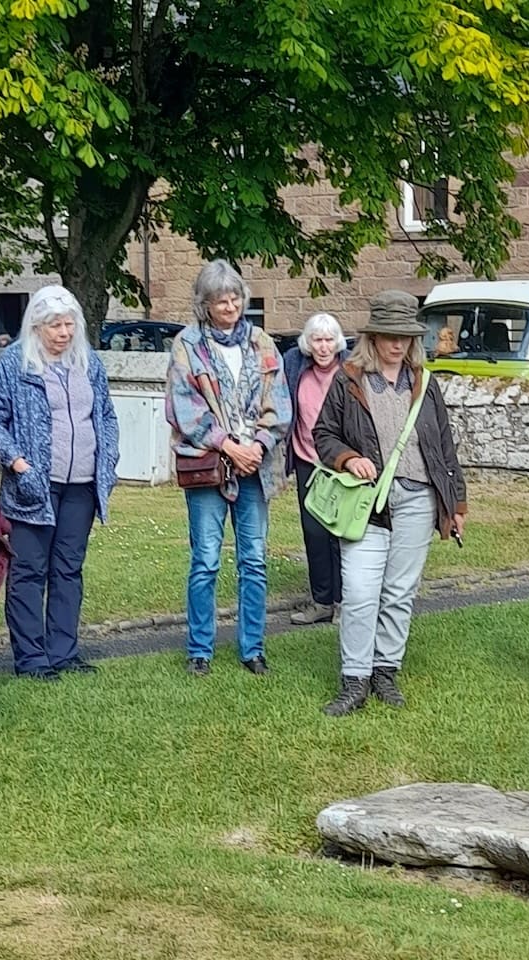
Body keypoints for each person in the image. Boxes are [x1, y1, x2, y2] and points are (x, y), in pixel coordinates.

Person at [312, 289, 467, 716]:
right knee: (361, 592)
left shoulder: (425, 382)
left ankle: (385, 670)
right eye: (389, 335)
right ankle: (354, 679)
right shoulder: (348, 380)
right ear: (373, 337)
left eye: (405, 336)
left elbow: (444, 449)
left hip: (418, 499)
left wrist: (456, 506)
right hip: (366, 502)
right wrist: (349, 458)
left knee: (399, 592)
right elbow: (323, 435)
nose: (397, 344)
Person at [0, 285, 119, 680]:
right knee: (28, 570)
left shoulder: (88, 361)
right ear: (37, 326)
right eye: (55, 325)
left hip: (82, 483)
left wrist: (108, 457)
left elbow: (106, 414)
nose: (63, 332)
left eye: (69, 323)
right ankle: (31, 659)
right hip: (33, 485)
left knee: (68, 569)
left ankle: (64, 652)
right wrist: (17, 462)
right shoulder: (15, 362)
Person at [166, 260, 291, 676]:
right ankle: (199, 649)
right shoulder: (187, 345)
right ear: (205, 304)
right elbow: (184, 409)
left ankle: (252, 648)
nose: (230, 305)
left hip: (256, 465)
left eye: (236, 297)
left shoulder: (263, 343)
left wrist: (256, 444)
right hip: (208, 466)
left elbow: (280, 402)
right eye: (221, 300)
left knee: (254, 560)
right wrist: (229, 446)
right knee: (205, 559)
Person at [283, 312, 348, 625]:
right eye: (317, 340)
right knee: (314, 532)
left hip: (341, 463)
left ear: (338, 342)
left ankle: (344, 602)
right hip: (307, 460)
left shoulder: (350, 369)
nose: (323, 347)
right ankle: (321, 601)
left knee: (343, 532)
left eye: (328, 340)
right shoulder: (295, 366)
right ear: (307, 344)